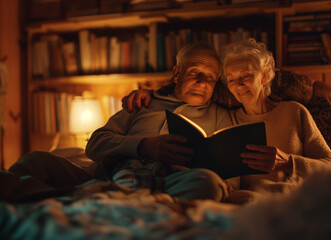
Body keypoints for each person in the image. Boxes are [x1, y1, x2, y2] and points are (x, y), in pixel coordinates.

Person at [122, 39, 331, 193]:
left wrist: (288, 163)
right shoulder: (228, 119)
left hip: (296, 198)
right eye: (231, 78)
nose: (238, 85)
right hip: (247, 202)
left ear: (264, 77)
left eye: (246, 76)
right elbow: (186, 86)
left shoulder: (293, 111)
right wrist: (150, 93)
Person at [85, 42, 233, 201]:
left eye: (210, 77)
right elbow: (94, 145)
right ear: (176, 74)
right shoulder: (142, 102)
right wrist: (142, 146)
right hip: (116, 172)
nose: (202, 82)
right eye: (194, 72)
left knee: (211, 184)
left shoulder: (221, 116)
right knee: (54, 165)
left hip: (172, 182)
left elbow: (231, 179)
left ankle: (133, 196)